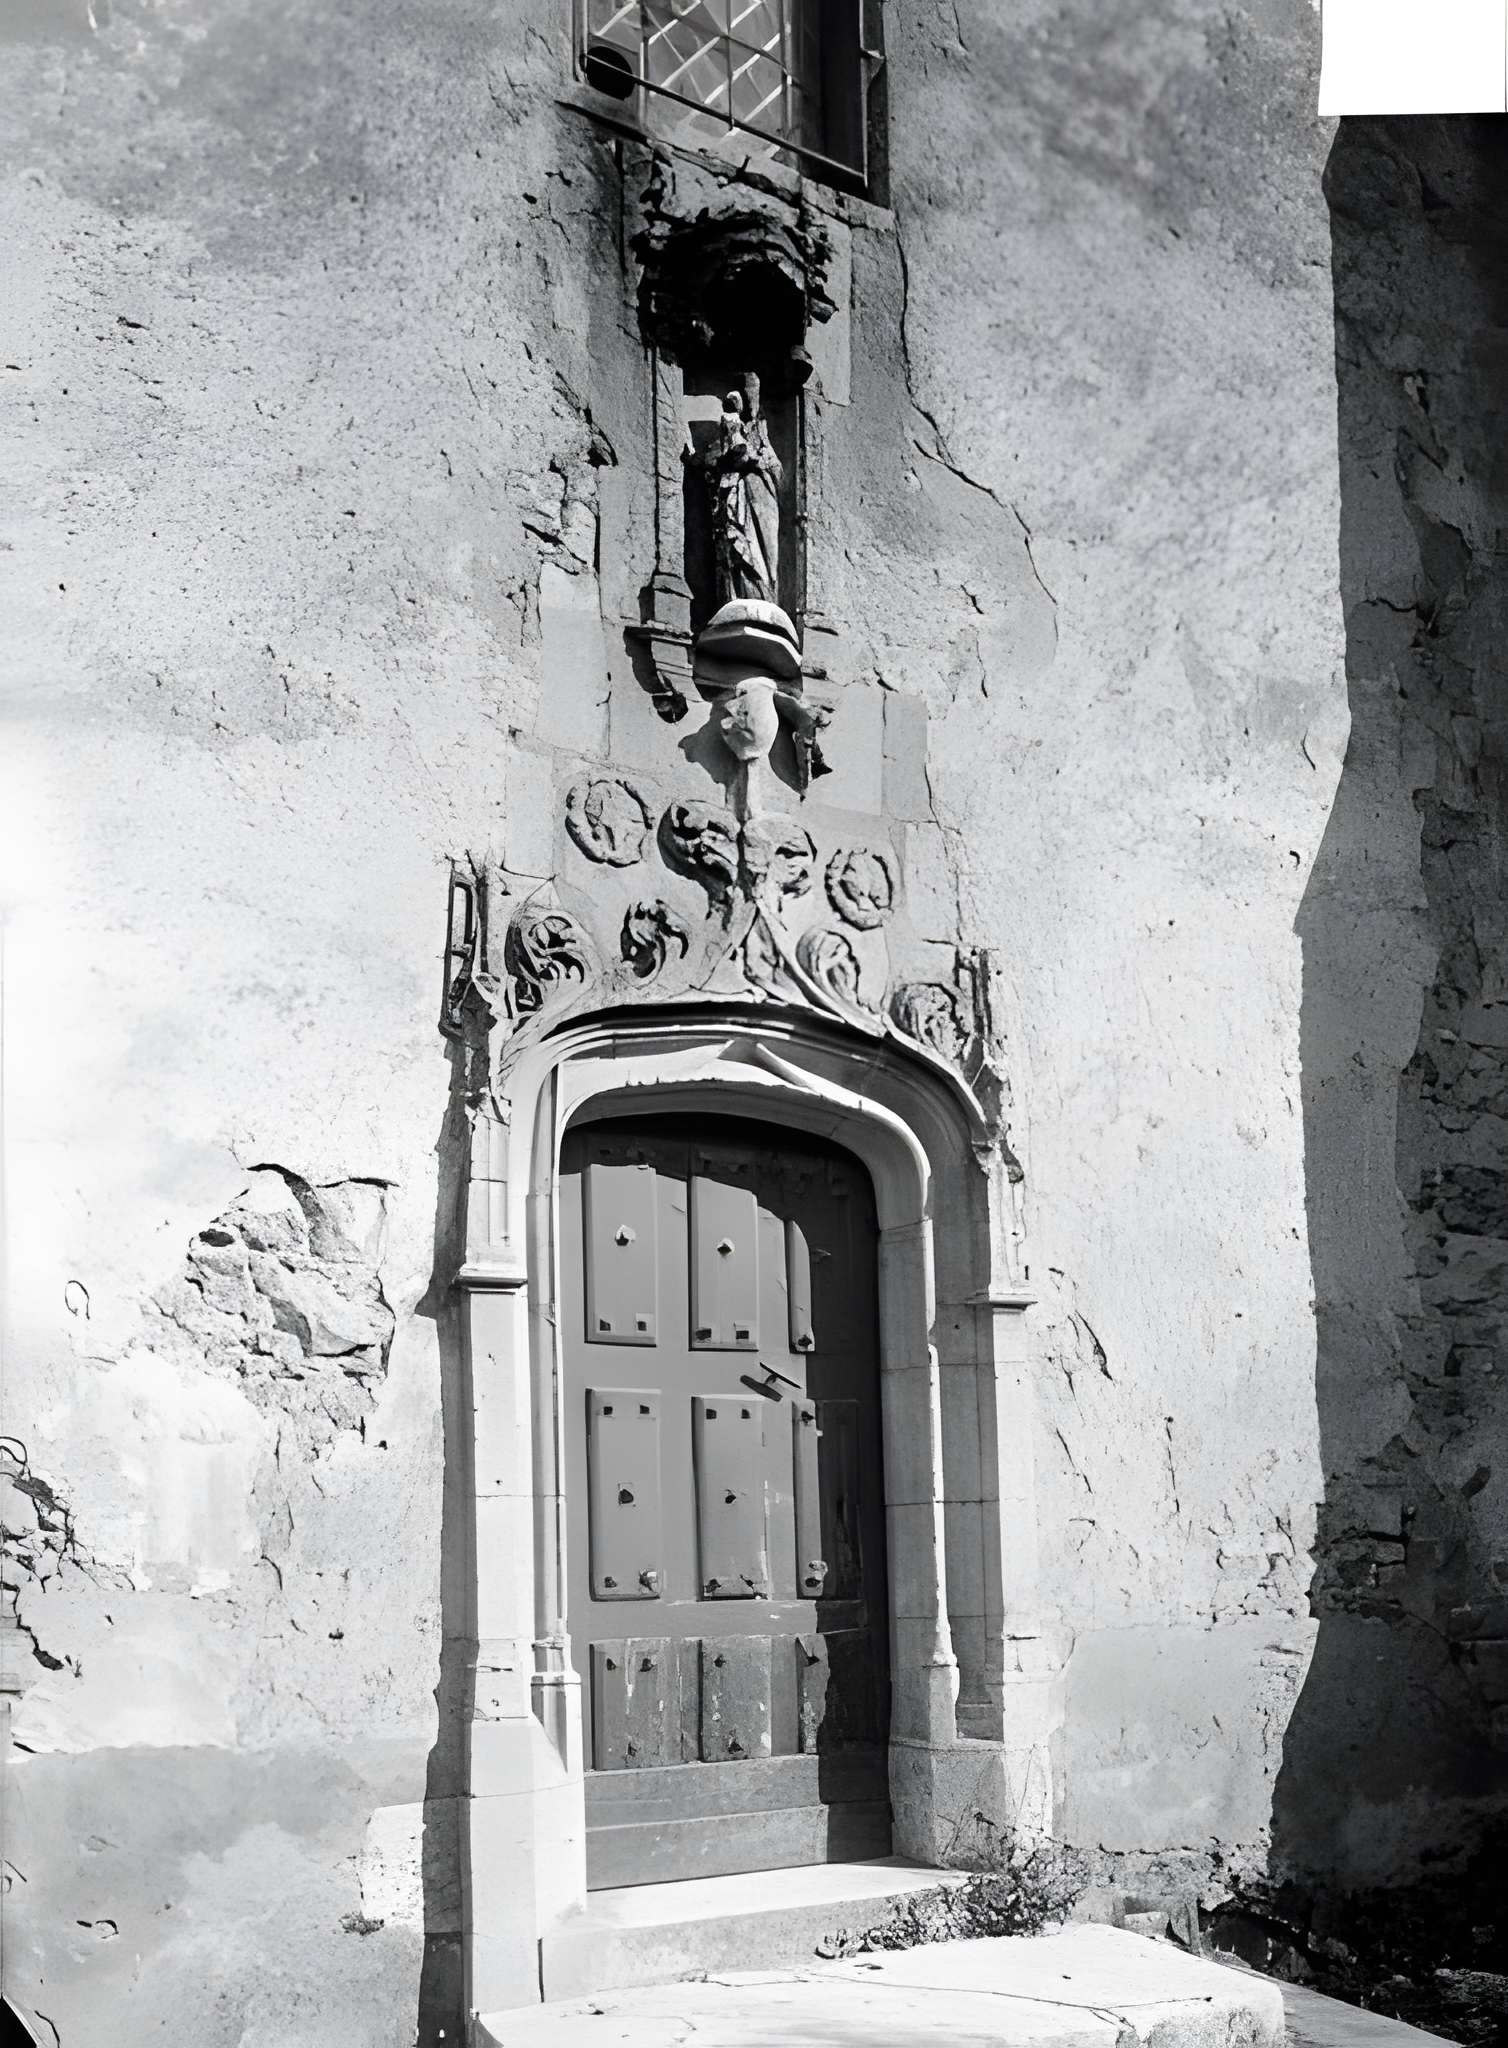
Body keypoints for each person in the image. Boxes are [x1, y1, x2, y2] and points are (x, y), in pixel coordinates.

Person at [704, 373, 783, 605]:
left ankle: (766, 595)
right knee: (739, 543)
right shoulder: (730, 425)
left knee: (767, 553)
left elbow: (778, 472)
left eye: (754, 396)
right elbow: (727, 455)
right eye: (747, 395)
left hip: (764, 496)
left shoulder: (762, 431)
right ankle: (743, 595)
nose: (750, 401)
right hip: (738, 491)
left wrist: (762, 460)